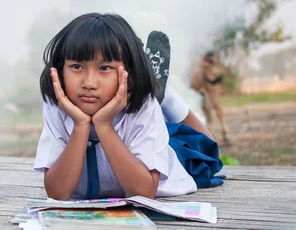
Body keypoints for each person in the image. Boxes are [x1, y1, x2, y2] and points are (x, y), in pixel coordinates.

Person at [33, 13, 221, 201]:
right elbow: (57, 194)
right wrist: (81, 126)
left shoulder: (144, 107)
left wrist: (104, 126)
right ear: (58, 70)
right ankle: (150, 78)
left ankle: (165, 95)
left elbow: (144, 192)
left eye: (105, 68)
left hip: (164, 151)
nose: (89, 83)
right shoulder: (56, 106)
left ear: (128, 74)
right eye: (76, 66)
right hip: (139, 139)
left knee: (206, 153)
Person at [190, 51, 230, 145]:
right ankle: (214, 136)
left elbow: (213, 80)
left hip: (213, 93)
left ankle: (223, 133)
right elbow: (198, 83)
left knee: (217, 113)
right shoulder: (203, 67)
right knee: (209, 116)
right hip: (207, 94)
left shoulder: (211, 66)